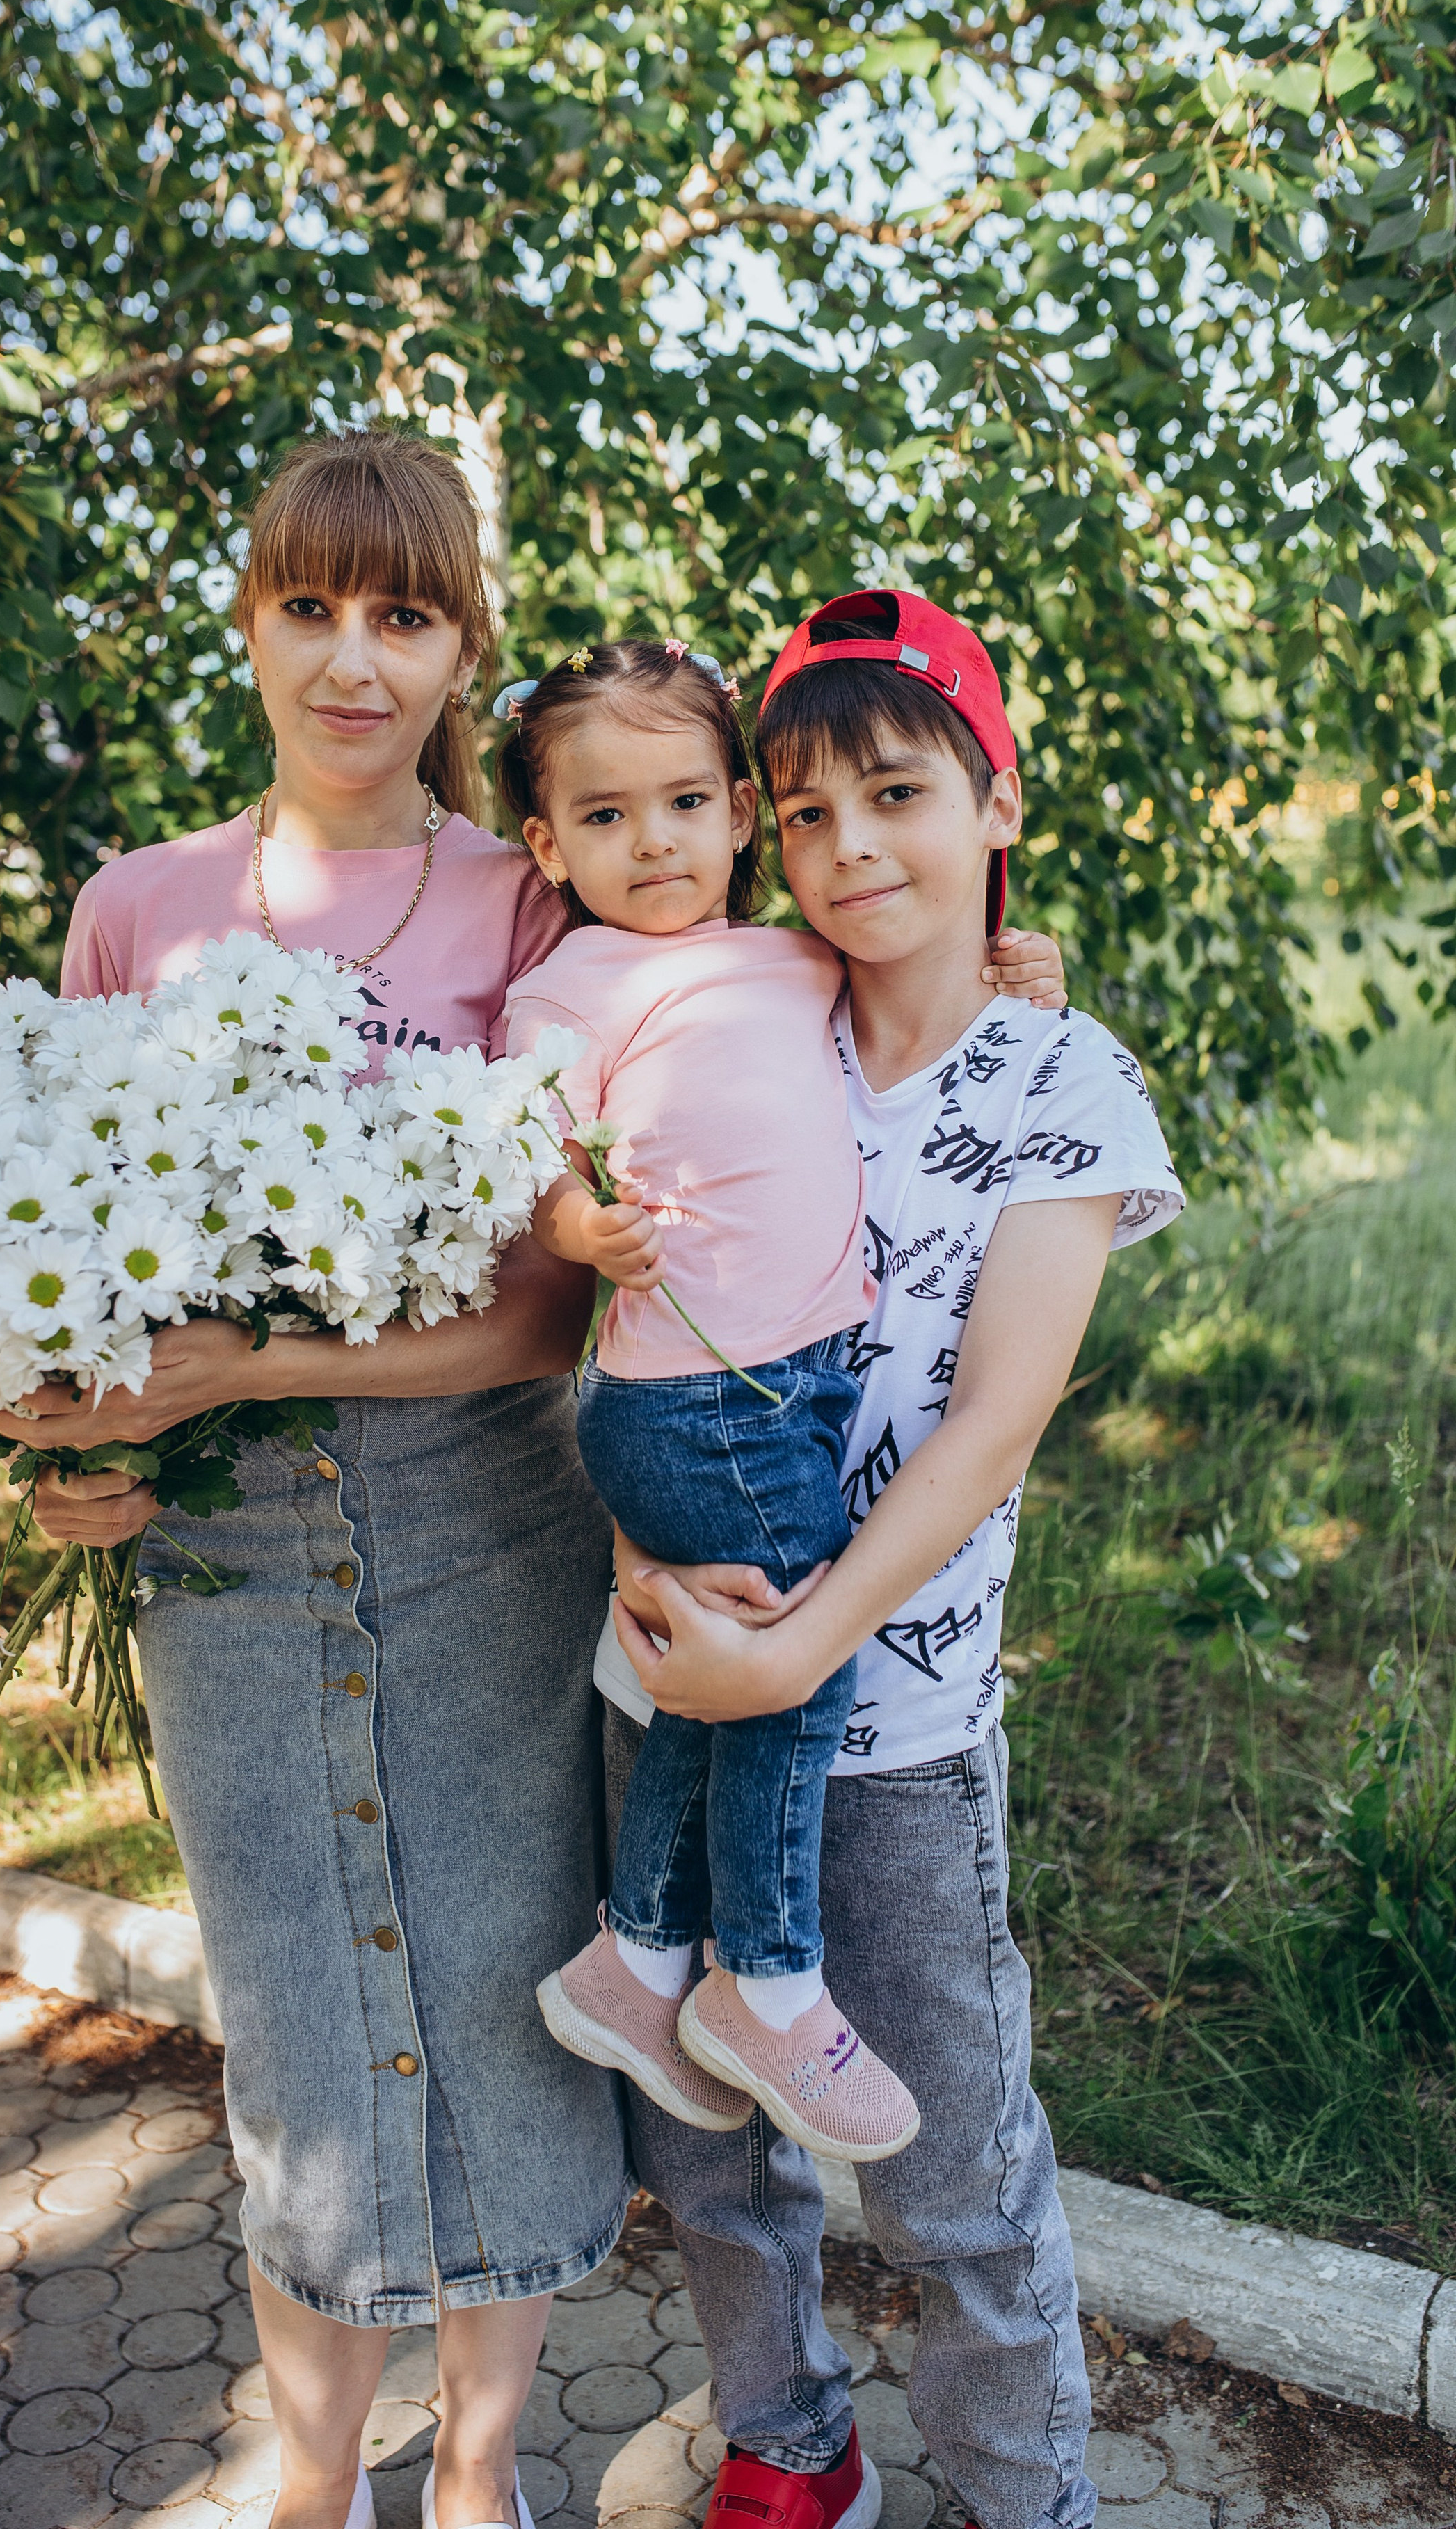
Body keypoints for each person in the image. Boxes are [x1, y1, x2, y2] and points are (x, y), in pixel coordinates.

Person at [0, 428, 628, 2529]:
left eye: (406, 616)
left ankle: (485, 2473)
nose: (356, 661)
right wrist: (77, 1464)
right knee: (297, 2019)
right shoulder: (135, 910)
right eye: (313, 607)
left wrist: (1002, 972)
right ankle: (314, 2477)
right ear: (251, 620)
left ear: (461, 652)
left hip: (490, 1520)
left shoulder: (537, 900)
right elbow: (62, 1290)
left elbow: (543, 1315)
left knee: (509, 1979)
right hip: (227, 1562)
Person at [600, 591, 1183, 2529]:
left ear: (997, 799)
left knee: (950, 2170)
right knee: (703, 2138)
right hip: (689, 1679)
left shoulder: (1060, 1082)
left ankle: (1028, 2498)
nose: (853, 856)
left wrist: (806, 1654)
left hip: (898, 1726)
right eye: (808, 817)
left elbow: (988, 1428)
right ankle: (791, 2448)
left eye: (901, 798)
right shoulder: (745, 1015)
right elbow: (636, 1309)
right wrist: (640, 1557)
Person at [499, 637, 940, 2162]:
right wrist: (575, 1227)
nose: (655, 842)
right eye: (606, 818)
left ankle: (634, 1963)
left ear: (743, 811)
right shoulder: (564, 988)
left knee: (732, 1663)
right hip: (692, 1396)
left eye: (685, 800)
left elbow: (921, 987)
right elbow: (525, 1166)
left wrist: (1028, 968)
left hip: (783, 1390)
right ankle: (764, 1975)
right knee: (790, 1666)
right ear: (547, 846)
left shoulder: (791, 953)